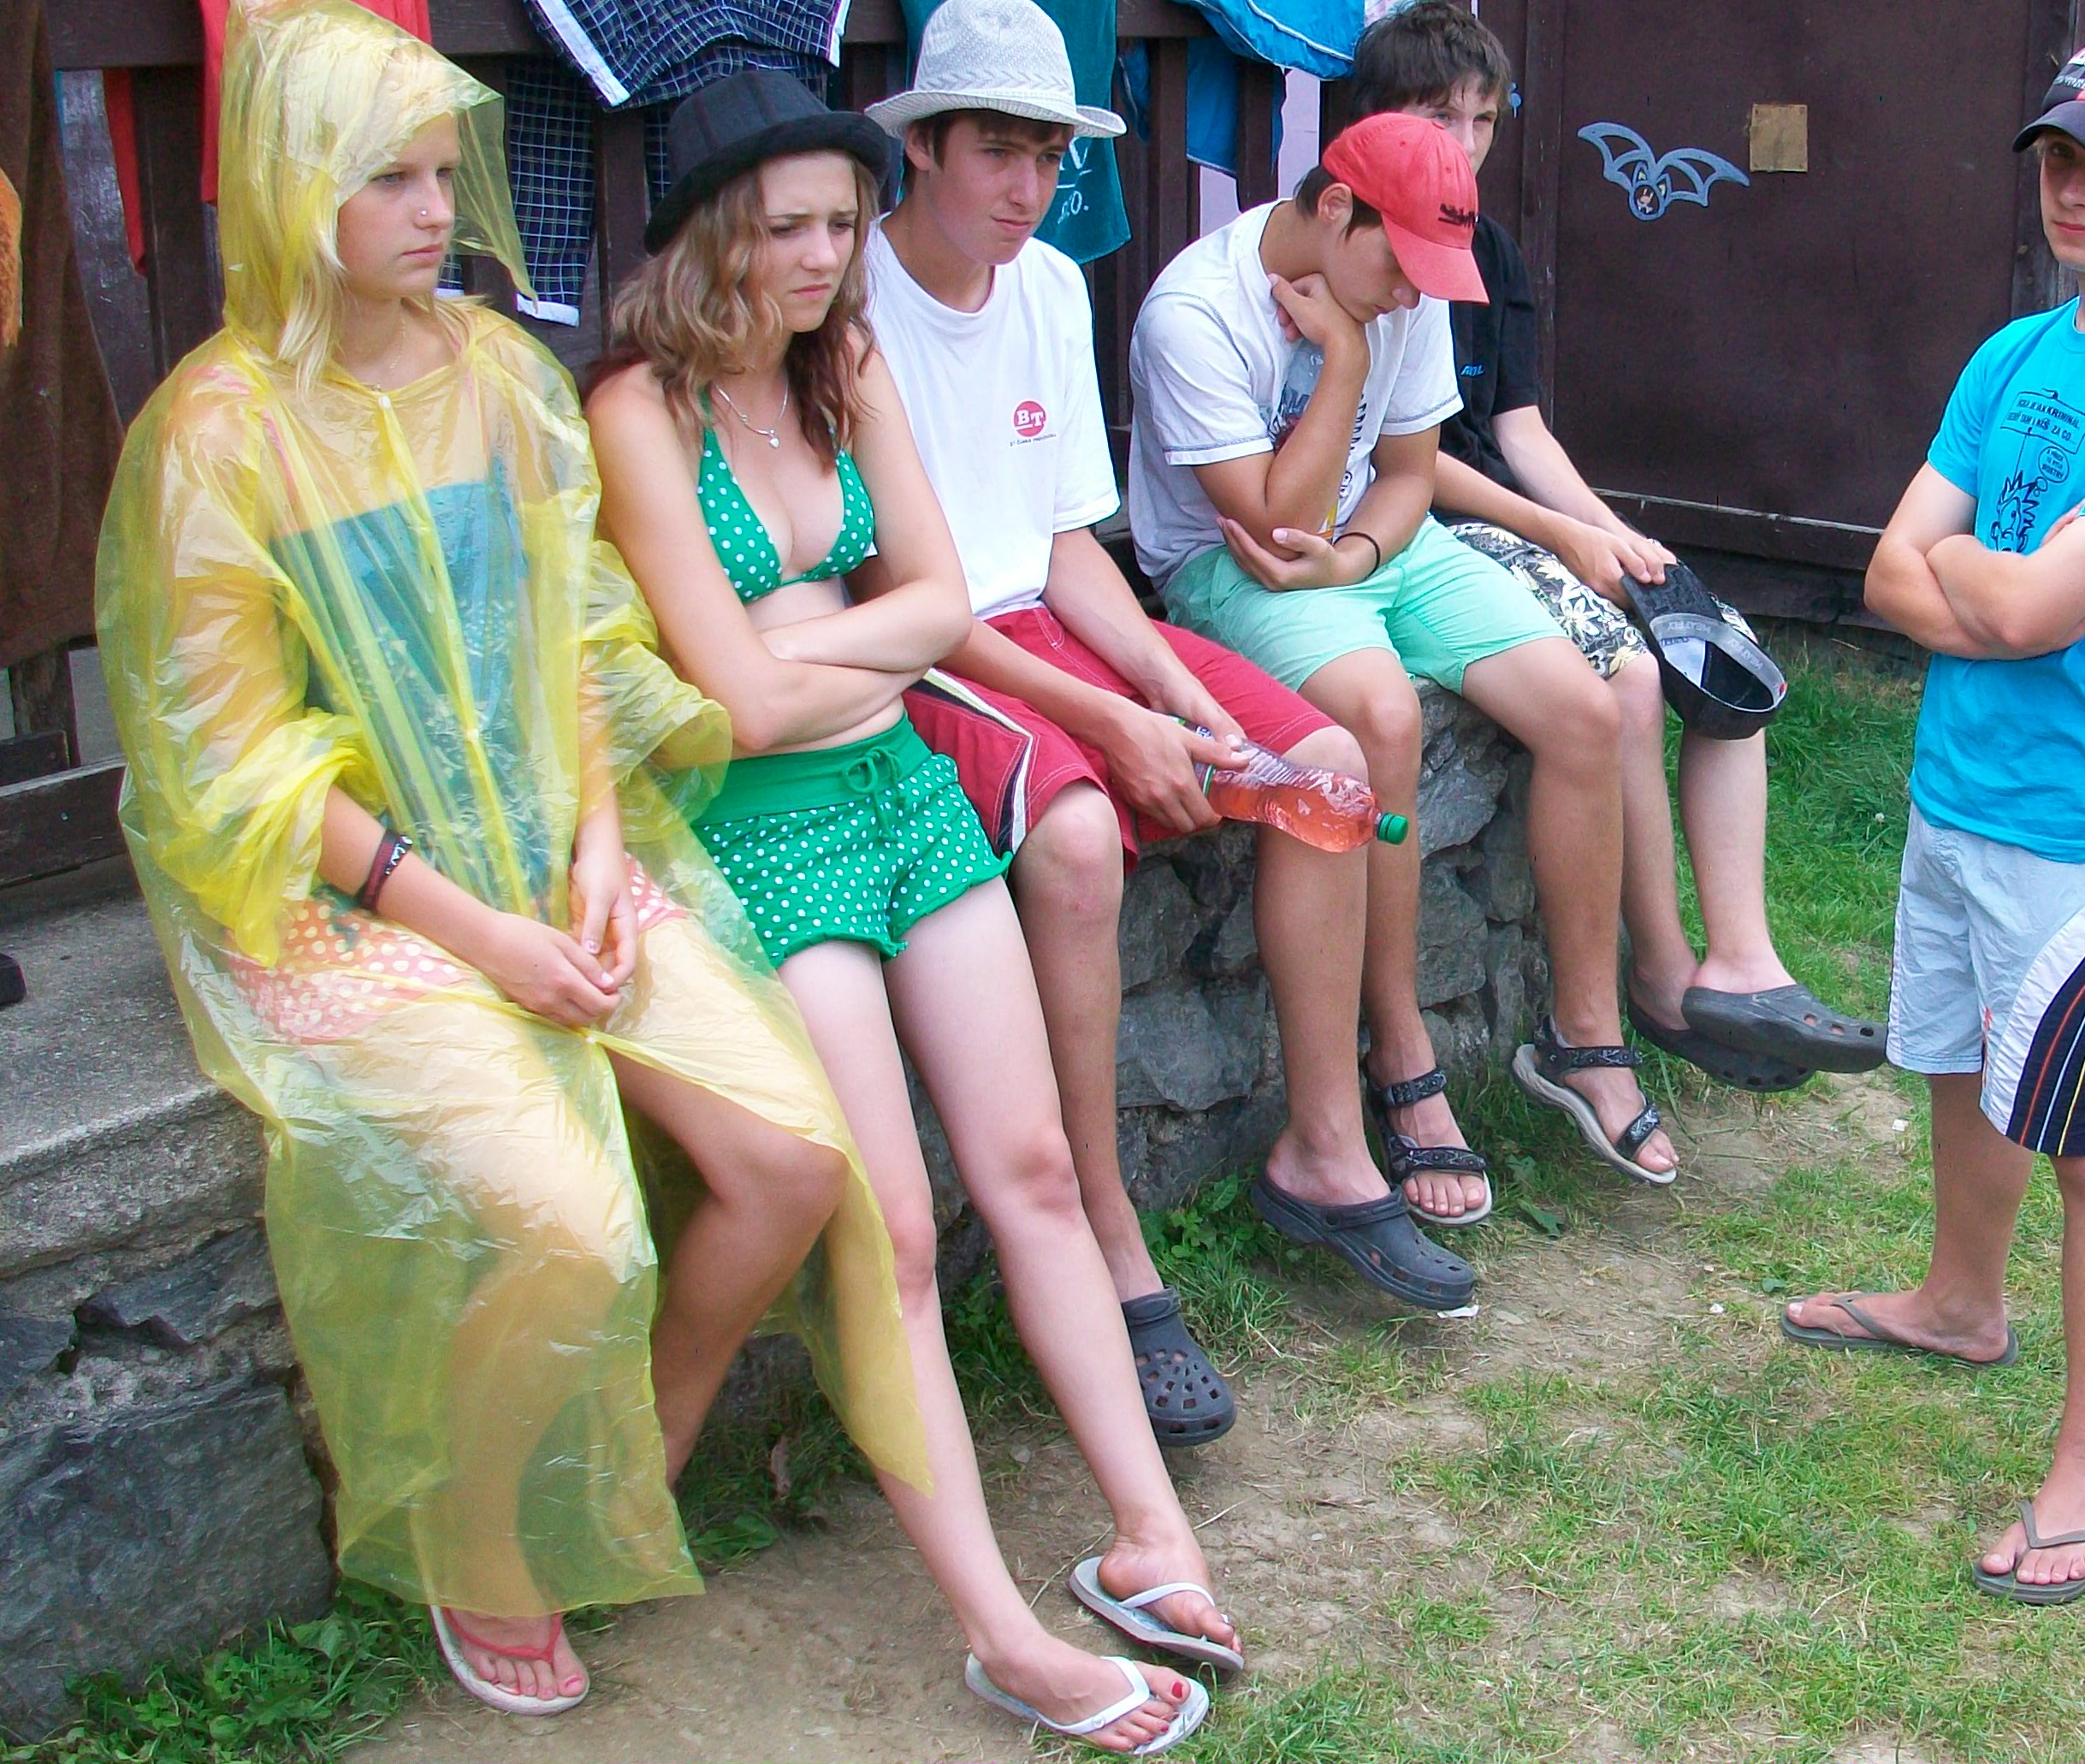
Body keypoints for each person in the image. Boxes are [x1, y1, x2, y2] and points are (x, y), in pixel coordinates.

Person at [90, 0, 928, 1719]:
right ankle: (479, 1528)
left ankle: (633, 1455)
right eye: (386, 179)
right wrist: (482, 934)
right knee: (566, 1219)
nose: (436, 209)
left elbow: (581, 640)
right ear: (289, 185)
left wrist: (601, 841)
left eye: (436, 171)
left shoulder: (496, 375)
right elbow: (240, 764)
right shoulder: (214, 437)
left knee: (789, 1159)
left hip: (557, 854)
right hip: (350, 900)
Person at [584, 69, 1226, 1753]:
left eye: (838, 221)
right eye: (787, 226)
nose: (824, 255)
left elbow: (940, 603)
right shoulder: (639, 411)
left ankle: (1149, 1532)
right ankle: (1001, 1631)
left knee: (1032, 1168)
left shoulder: (841, 362)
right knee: (895, 1231)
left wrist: (807, 645)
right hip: (759, 833)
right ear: (709, 236)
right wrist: (840, 653)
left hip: (899, 791)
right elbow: (729, 707)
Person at [859, 0, 1472, 1382]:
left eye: (1048, 156)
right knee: (1078, 839)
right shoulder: (858, 302)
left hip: (1047, 613)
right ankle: (1102, 1221)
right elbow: (912, 598)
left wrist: (1170, 687)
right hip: (931, 644)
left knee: (1325, 762)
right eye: (997, 152)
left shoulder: (1047, 285)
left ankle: (1323, 1144)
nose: (1027, 188)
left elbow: (1069, 545)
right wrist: (1117, 720)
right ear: (924, 147)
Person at [1779, 30, 2085, 1606]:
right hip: (1958, 791)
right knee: (1962, 1063)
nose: (2072, 188)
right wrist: (2000, 593)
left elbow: (2037, 604)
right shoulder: (2011, 356)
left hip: (2082, 830)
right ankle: (1958, 1302)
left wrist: (1982, 583)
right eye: (2056, 156)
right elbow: (1886, 571)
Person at [1127, 111, 1679, 1200]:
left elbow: (1411, 472)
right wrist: (1341, 358)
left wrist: (1359, 555)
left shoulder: (1397, 287)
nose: (1407, 296)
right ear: (1336, 207)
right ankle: (1400, 1050)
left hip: (1376, 548)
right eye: (1397, 265)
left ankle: (1584, 1037)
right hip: (1234, 569)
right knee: (1384, 718)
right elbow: (1275, 525)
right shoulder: (1193, 314)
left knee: (1585, 710)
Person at [1339, 3, 1885, 1094]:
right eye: (1438, 118)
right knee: (1629, 672)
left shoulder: (1492, 251)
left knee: (1720, 648)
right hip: (1433, 525)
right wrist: (1561, 536)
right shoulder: (1365, 249)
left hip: (1518, 509)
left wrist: (1616, 533)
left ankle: (1745, 961)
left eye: (1482, 120)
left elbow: (1520, 430)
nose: (1464, 145)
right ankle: (1663, 976)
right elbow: (1409, 461)